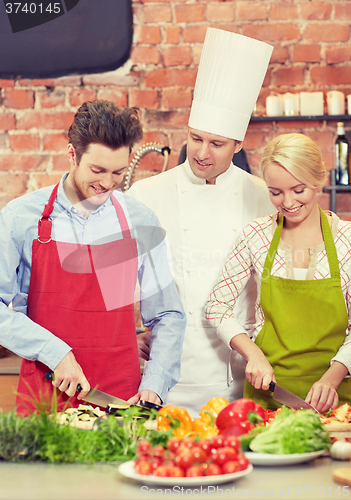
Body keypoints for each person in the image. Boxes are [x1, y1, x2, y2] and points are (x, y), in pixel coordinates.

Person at [0, 100, 186, 414]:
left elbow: (168, 315)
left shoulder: (139, 221)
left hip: (118, 400)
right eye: (97, 170)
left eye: (117, 172)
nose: (107, 184)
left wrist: (155, 383)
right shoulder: (22, 217)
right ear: (72, 154)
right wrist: (54, 352)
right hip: (45, 396)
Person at [128, 28, 274, 416]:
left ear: (238, 145)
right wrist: (132, 331)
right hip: (166, 374)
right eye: (195, 139)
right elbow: (118, 279)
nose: (202, 153)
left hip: (237, 371)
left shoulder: (263, 195)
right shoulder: (146, 195)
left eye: (217, 143)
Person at [206, 133, 351, 414]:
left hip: (338, 398)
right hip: (269, 394)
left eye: (298, 190)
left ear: (318, 180)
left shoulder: (347, 240)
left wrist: (331, 378)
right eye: (276, 192)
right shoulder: (255, 235)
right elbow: (216, 307)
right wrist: (253, 354)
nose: (287, 202)